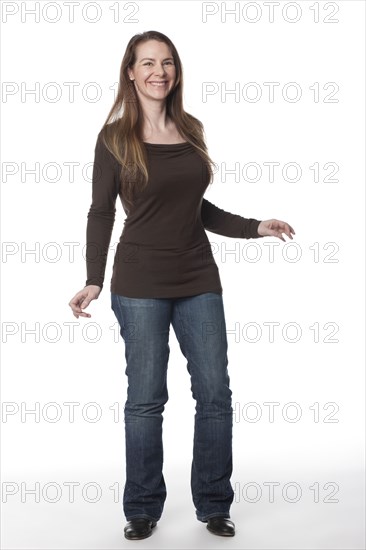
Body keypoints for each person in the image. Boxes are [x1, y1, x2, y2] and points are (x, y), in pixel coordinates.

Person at [68, 30, 295, 541]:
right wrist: (92, 279)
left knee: (215, 394)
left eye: (167, 62)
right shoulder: (114, 138)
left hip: (198, 277)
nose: (158, 71)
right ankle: (143, 508)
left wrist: (256, 226)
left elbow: (197, 207)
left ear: (176, 71)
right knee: (146, 399)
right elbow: (101, 212)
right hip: (140, 283)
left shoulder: (191, 129)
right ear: (130, 71)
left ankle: (214, 504)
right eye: (147, 63)